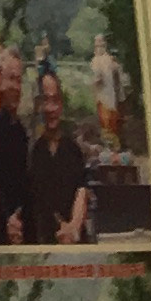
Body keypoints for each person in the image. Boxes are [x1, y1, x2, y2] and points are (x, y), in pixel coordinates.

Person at [24, 71, 93, 248]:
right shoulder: (34, 151)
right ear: (37, 105)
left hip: (74, 240)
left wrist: (74, 226)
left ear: (61, 105)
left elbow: (81, 189)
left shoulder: (73, 148)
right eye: (45, 101)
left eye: (55, 101)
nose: (50, 108)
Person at [0, 74, 32, 244]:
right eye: (11, 79)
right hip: (7, 218)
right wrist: (10, 215)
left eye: (19, 80)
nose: (15, 87)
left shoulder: (19, 128)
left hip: (19, 213)